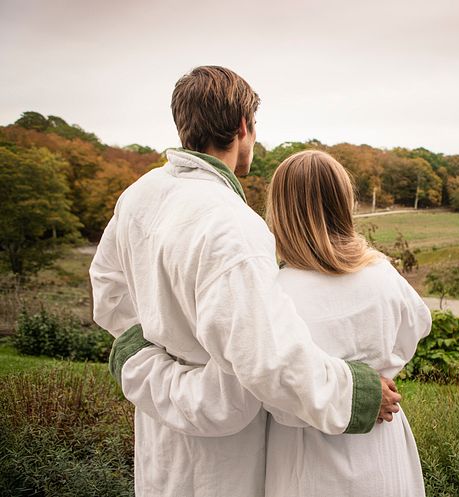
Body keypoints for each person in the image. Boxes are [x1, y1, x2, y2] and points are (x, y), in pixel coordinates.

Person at [90, 66, 401, 497]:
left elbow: (107, 286)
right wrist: (355, 394)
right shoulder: (233, 226)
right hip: (223, 462)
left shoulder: (140, 194)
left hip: (158, 440)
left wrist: (147, 364)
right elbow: (267, 358)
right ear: (243, 126)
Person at [112, 150, 431, 496]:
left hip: (308, 459)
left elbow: (263, 380)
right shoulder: (384, 274)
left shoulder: (278, 293)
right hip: (384, 445)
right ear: (344, 202)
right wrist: (379, 369)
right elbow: (416, 326)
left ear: (278, 213)